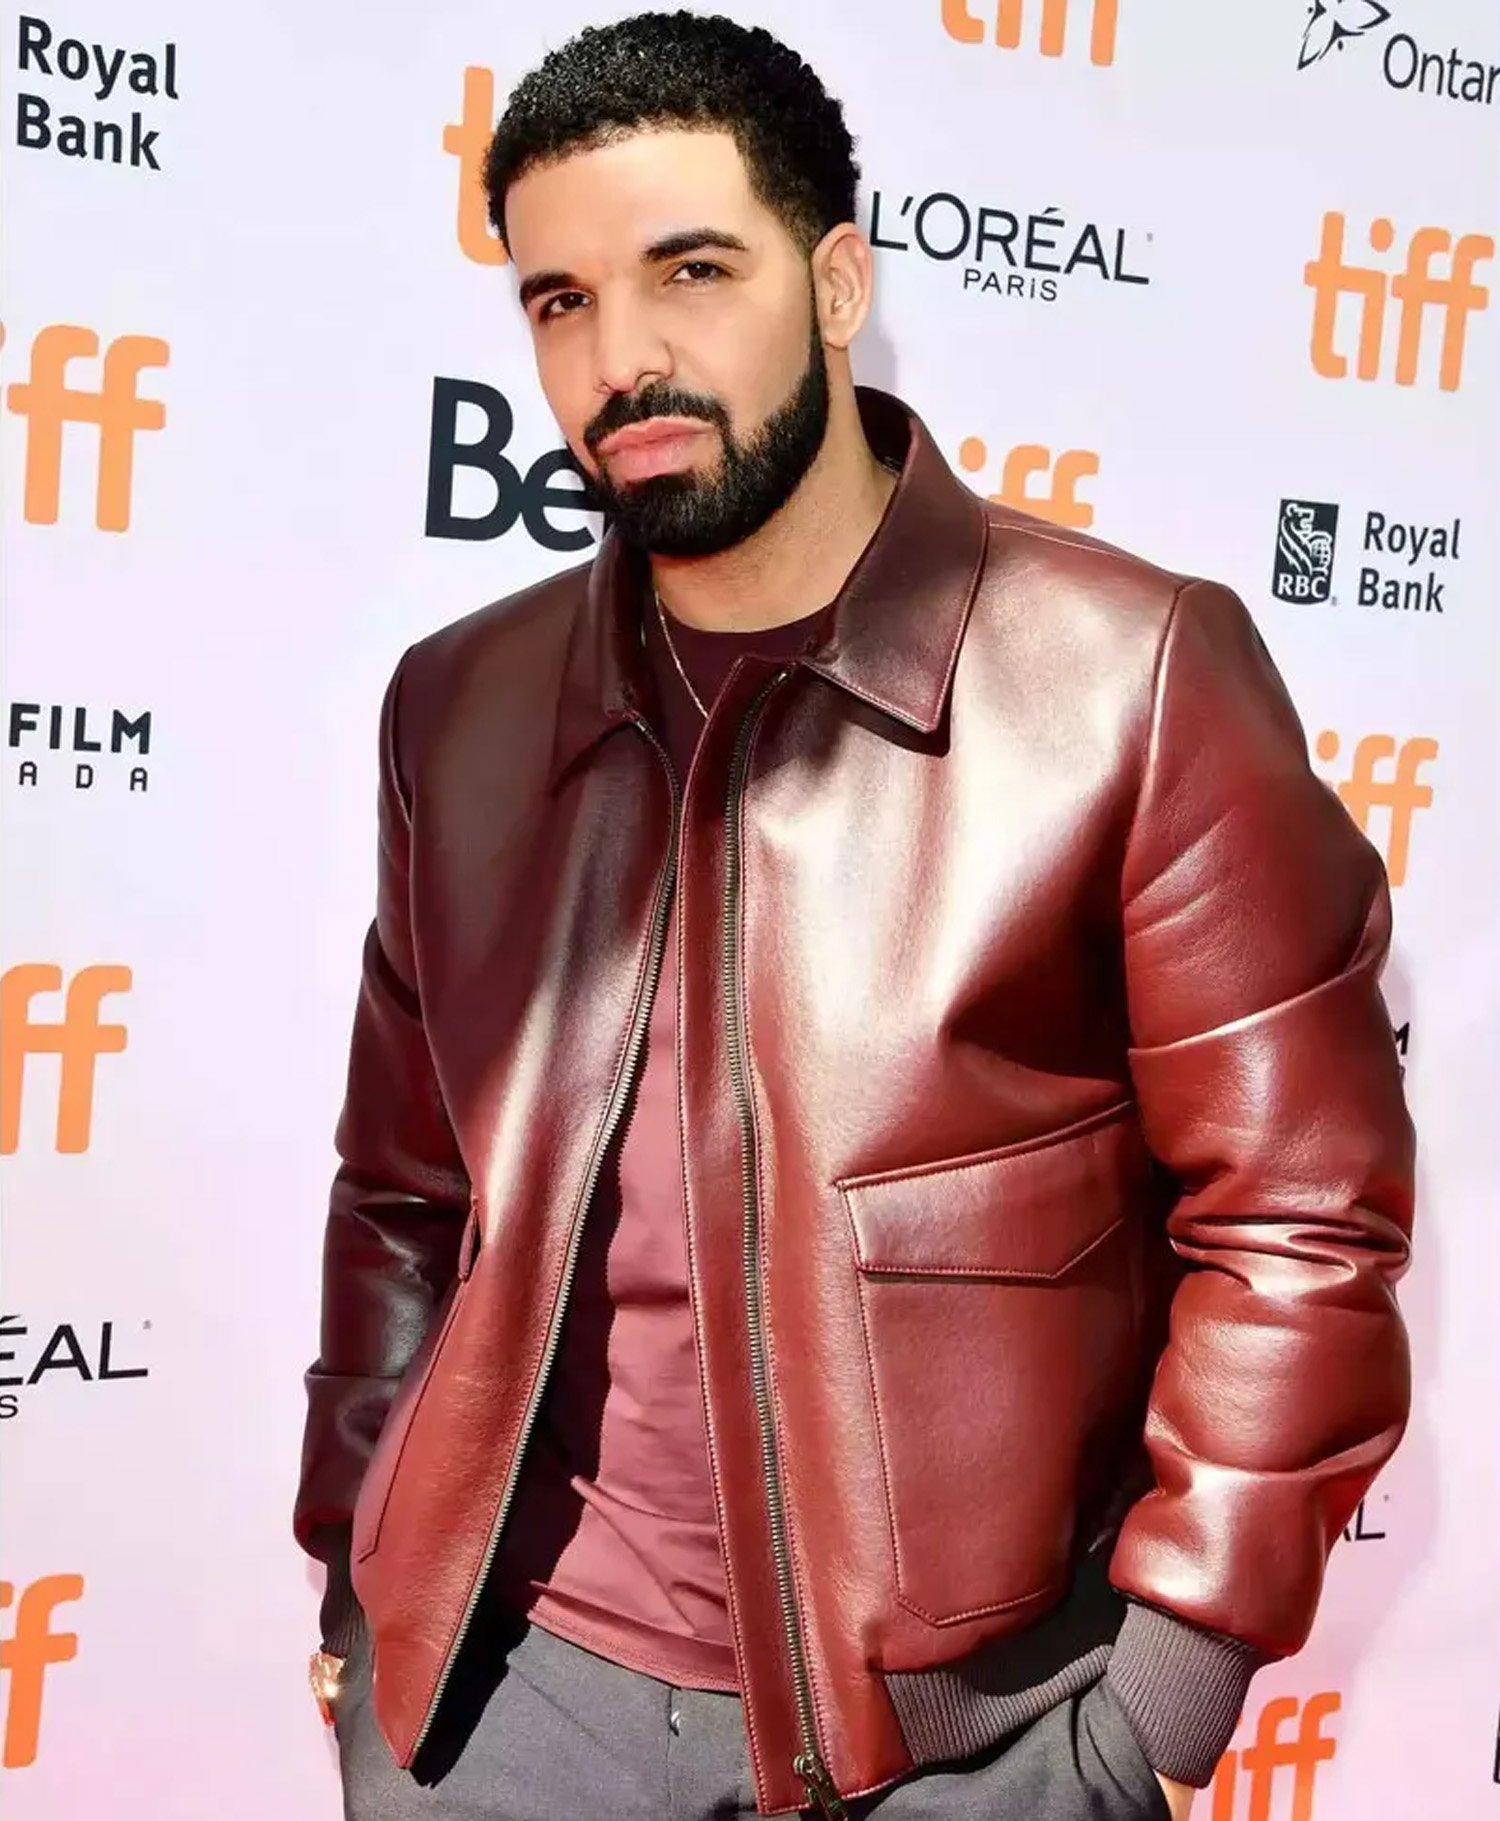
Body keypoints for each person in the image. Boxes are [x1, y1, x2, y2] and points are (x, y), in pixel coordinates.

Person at [292, 12, 1415, 1819]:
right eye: (562, 300)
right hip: (502, 1705)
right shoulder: (459, 707)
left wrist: (1159, 1700)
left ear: (835, 284)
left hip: (959, 1740)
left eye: (691, 270)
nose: (622, 358)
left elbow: (1300, 1214)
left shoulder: (1128, 678)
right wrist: (358, 1572)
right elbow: (404, 1193)